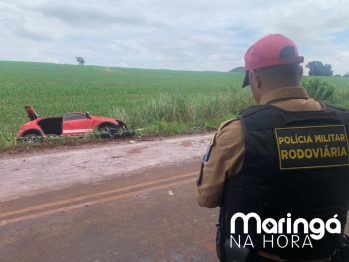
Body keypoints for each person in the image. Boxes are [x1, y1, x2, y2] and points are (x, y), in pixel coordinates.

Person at [195, 34, 349, 262]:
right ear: (299, 72)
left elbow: (206, 198)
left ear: (255, 78)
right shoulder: (345, 124)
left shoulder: (237, 132)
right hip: (328, 254)